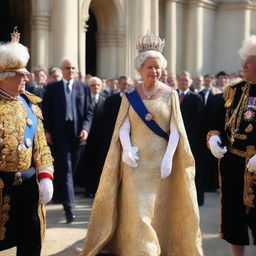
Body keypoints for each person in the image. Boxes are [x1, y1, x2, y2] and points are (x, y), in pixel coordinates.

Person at [82, 32, 203, 256]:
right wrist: (127, 149)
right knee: (138, 211)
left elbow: (176, 129)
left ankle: (158, 247)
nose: (154, 71)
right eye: (150, 67)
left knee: (155, 210)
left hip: (160, 165)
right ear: (141, 68)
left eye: (158, 67)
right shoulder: (130, 95)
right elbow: (123, 127)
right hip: (135, 163)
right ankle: (141, 251)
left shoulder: (170, 95)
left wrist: (168, 158)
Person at [0, 28, 54, 255]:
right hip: (1, 188)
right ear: (5, 77)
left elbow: (41, 145)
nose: (27, 77)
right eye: (20, 74)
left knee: (30, 241)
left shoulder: (30, 104)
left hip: (28, 189)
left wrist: (45, 176)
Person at [208, 35, 256, 256]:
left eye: (249, 61)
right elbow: (217, 122)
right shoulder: (232, 90)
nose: (244, 65)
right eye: (244, 61)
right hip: (234, 162)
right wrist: (213, 138)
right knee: (234, 219)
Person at [42, 59, 93, 223]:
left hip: (78, 135)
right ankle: (69, 209)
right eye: (67, 68)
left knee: (71, 170)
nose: (70, 70)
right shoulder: (52, 88)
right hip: (60, 134)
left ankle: (66, 200)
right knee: (67, 170)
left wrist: (86, 128)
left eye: (73, 68)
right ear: (62, 70)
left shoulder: (83, 87)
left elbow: (89, 111)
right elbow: (46, 111)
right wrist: (47, 131)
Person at [177, 71, 205, 206]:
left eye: (186, 81)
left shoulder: (196, 98)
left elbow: (200, 122)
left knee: (193, 169)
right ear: (178, 81)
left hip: (192, 140)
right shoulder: (172, 95)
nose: (184, 82)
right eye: (181, 80)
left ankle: (197, 199)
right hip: (174, 139)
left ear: (190, 82)